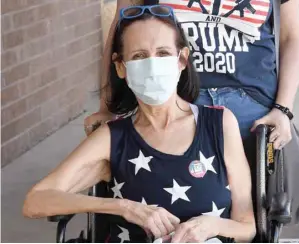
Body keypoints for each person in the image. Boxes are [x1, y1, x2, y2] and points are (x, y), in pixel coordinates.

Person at [23, 6, 256, 243]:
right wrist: (122, 207)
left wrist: (211, 225)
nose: (153, 66)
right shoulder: (113, 137)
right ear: (121, 67)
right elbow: (35, 200)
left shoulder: (218, 124)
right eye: (139, 56)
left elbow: (248, 227)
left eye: (163, 53)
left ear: (182, 60)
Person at [85, 0, 299, 152]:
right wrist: (106, 108)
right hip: (174, 97)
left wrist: (283, 109)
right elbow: (120, 33)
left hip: (252, 101)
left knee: (251, 204)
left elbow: (290, 37)